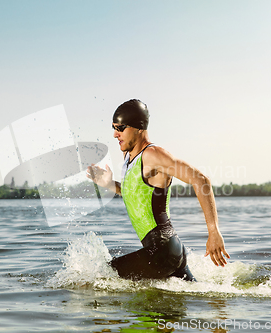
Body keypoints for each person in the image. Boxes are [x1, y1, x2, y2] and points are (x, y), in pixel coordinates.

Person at [87, 99, 229, 281]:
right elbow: (137, 195)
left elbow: (200, 180)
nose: (115, 134)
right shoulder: (129, 157)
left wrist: (213, 231)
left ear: (138, 128)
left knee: (97, 280)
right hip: (167, 251)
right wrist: (109, 184)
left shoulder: (153, 155)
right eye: (113, 128)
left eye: (121, 128)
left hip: (162, 252)